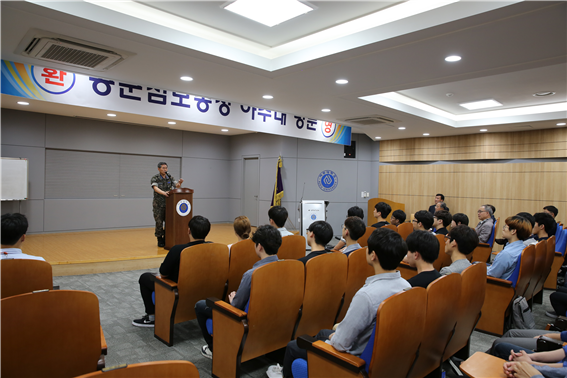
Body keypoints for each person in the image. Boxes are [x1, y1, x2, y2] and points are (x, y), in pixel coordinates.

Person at [266, 228, 410, 378]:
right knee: (323, 332)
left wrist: (335, 336)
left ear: (373, 255)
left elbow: (341, 344)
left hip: (350, 362)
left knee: (293, 346)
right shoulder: (406, 286)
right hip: (380, 355)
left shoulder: (366, 296)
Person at [196, 225, 282, 358]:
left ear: (259, 247)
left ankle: (214, 349)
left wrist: (232, 300)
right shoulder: (287, 267)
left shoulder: (251, 275)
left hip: (246, 323)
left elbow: (236, 307)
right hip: (273, 319)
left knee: (201, 305)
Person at [132, 215, 210, 327]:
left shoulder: (178, 250)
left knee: (145, 277)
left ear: (188, 230)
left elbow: (163, 273)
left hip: (178, 293)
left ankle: (152, 317)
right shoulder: (213, 248)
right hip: (203, 290)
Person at [487, 215, 532, 280]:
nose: (503, 229)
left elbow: (492, 275)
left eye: (505, 227)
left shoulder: (507, 254)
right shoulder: (523, 247)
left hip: (496, 285)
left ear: (513, 231)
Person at [151, 162, 183, 247]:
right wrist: (163, 193)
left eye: (166, 168)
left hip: (169, 204)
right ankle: (159, 238)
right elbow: (155, 188)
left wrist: (179, 183)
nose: (165, 169)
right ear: (159, 169)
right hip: (158, 204)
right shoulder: (155, 178)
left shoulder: (170, 177)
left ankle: (166, 237)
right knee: (159, 222)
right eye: (163, 168)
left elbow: (177, 186)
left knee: (168, 222)